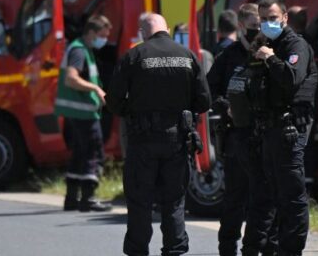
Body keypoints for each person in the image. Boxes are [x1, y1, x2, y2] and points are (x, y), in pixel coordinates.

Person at [107, 13, 211, 256]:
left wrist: (131, 112)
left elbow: (113, 101)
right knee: (174, 201)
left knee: (140, 202)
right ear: (165, 28)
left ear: (144, 31)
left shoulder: (134, 55)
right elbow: (204, 100)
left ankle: (138, 251)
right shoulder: (188, 56)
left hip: (142, 140)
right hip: (177, 140)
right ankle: (174, 251)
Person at [207, 4, 277, 256]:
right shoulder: (228, 56)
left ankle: (265, 248)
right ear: (240, 26)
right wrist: (225, 106)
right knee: (234, 199)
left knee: (266, 199)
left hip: (265, 135)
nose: (257, 31)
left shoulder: (271, 52)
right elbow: (208, 90)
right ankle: (227, 249)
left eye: (260, 26)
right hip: (237, 136)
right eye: (252, 27)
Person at [254, 0, 318, 256]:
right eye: (264, 19)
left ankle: (291, 250)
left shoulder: (295, 46)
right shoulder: (270, 44)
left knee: (292, 196)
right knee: (275, 194)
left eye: (272, 18)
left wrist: (270, 59)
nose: (268, 23)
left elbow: (291, 80)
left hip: (291, 129)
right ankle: (276, 248)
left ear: (284, 18)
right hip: (272, 130)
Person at [54, 14, 114, 212]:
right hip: (83, 113)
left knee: (79, 153)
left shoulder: (82, 48)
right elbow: (71, 79)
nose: (104, 40)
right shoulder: (79, 51)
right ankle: (88, 198)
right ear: (92, 32)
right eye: (103, 35)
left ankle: (71, 199)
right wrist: (96, 89)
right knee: (93, 151)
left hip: (78, 112)